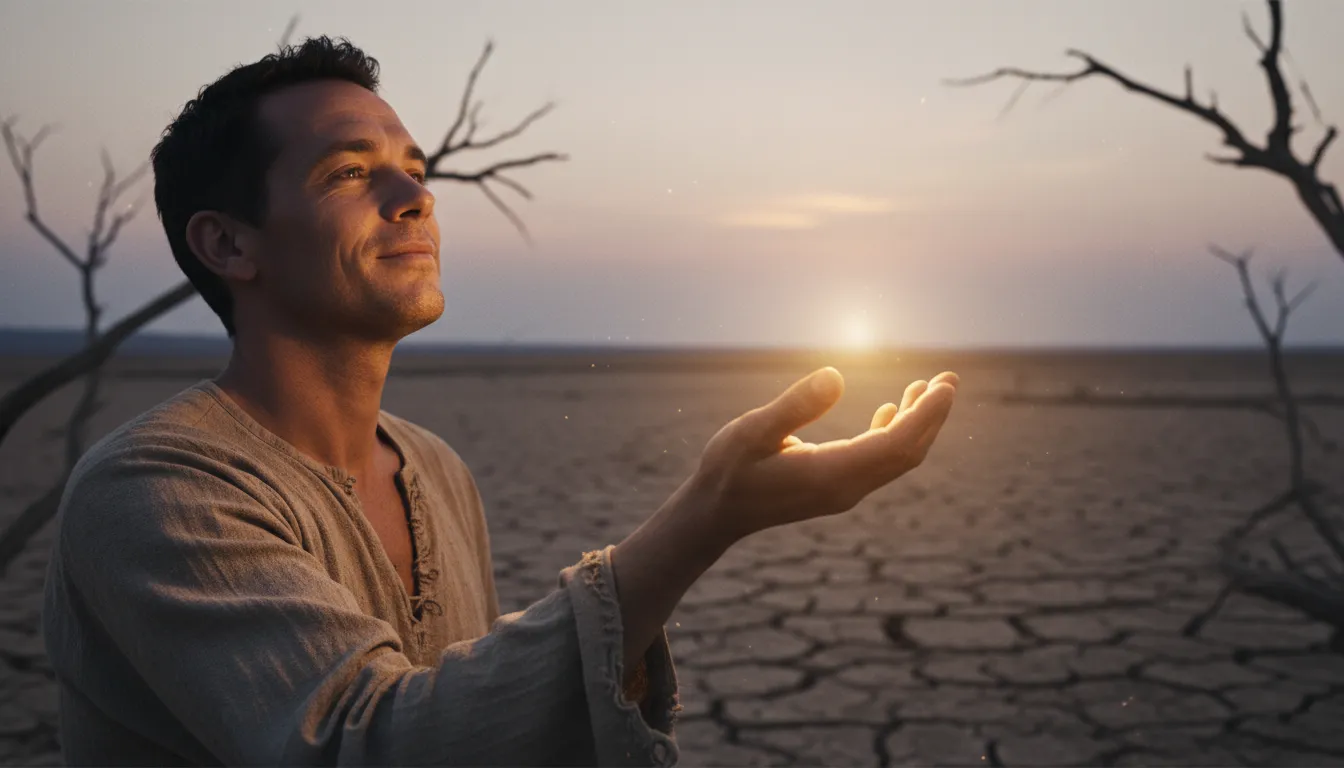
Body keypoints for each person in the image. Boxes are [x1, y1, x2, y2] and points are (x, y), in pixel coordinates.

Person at [40, 36, 959, 767]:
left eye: (414, 167)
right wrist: (707, 516)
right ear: (230, 246)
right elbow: (371, 745)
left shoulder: (434, 469)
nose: (415, 197)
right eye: (350, 173)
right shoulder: (155, 489)